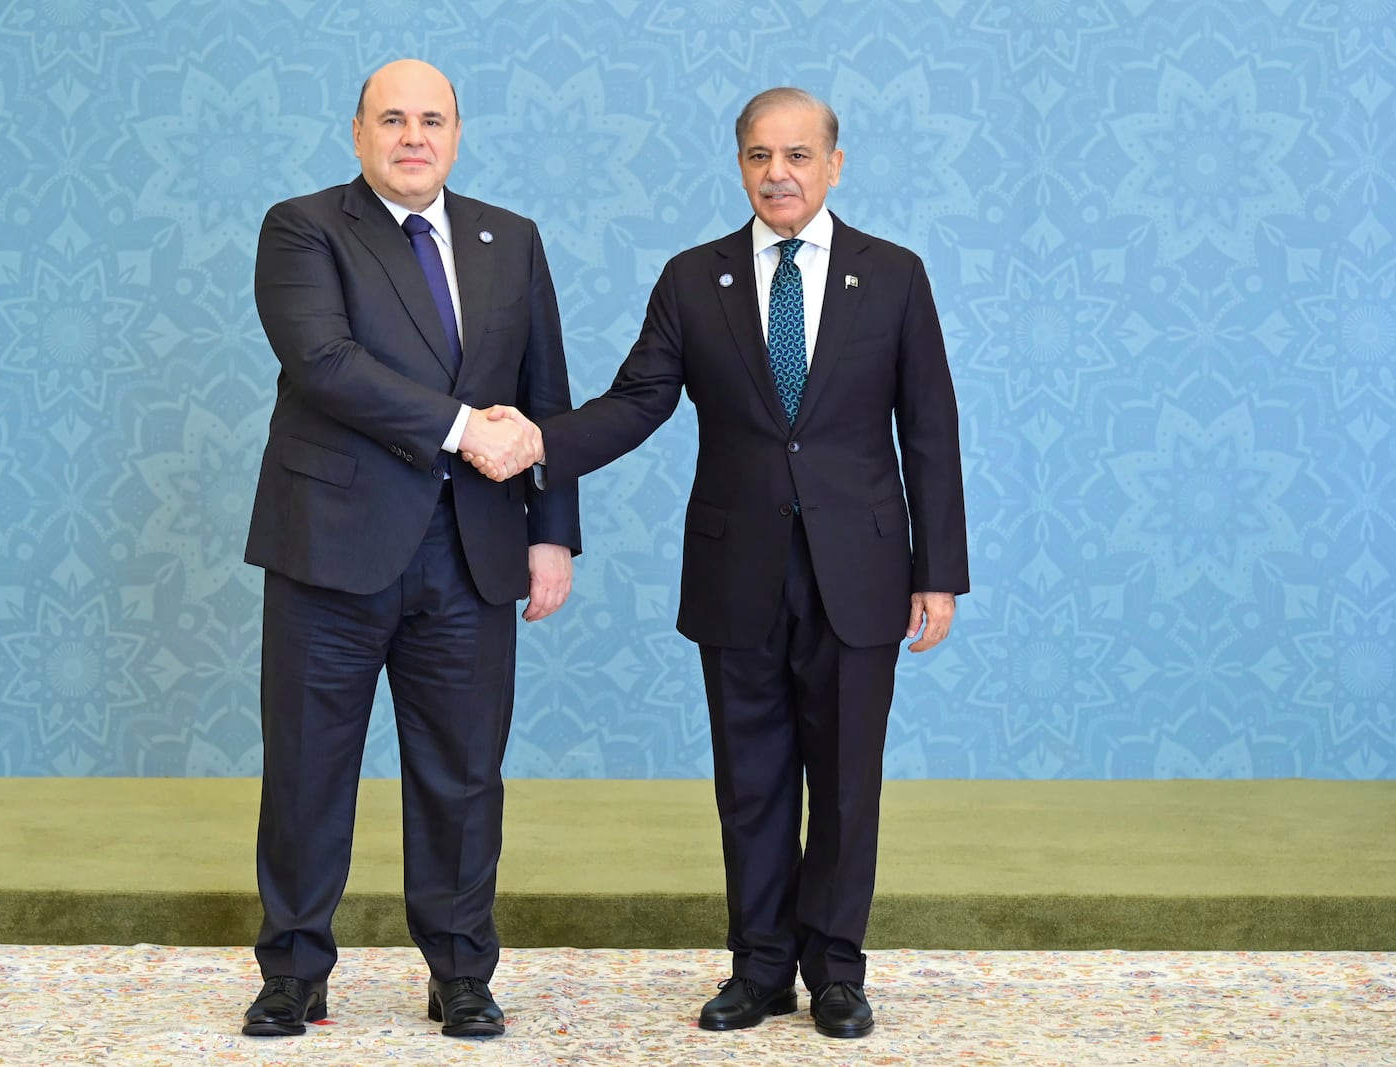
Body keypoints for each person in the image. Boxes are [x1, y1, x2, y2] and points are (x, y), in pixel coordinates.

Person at [468, 87, 967, 1039]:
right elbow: (637, 399)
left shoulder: (893, 275)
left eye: (797, 155)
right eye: (757, 156)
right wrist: (537, 441)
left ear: (834, 162)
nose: (777, 173)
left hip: (860, 573)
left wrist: (936, 568)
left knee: (847, 781)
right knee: (752, 782)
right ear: (738, 164)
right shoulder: (695, 279)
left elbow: (930, 428)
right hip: (737, 569)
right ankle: (760, 969)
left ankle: (838, 972)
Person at [241, 58, 580, 1041]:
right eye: (391, 119)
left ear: (458, 134)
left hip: (473, 551)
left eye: (432, 119)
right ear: (358, 134)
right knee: (307, 768)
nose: (412, 136)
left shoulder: (507, 240)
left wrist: (552, 534)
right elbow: (324, 363)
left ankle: (461, 972)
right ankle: (293, 970)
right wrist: (463, 425)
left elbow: (543, 391)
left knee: (465, 774)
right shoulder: (303, 227)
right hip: (330, 549)